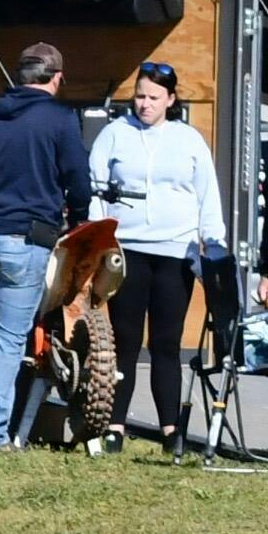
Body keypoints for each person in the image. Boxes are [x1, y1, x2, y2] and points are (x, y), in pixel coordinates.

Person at [0, 42, 92, 452]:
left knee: (7, 314)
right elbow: (78, 180)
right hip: (22, 239)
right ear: (57, 78)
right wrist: (79, 218)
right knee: (8, 340)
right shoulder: (60, 119)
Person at [88, 61, 226, 454]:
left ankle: (170, 430)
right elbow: (95, 190)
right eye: (139, 96)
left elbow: (207, 196)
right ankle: (114, 426)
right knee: (126, 341)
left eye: (153, 97)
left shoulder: (189, 140)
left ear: (170, 99)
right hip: (128, 250)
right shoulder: (115, 134)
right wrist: (98, 240)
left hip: (175, 252)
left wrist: (213, 245)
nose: (144, 104)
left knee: (166, 342)